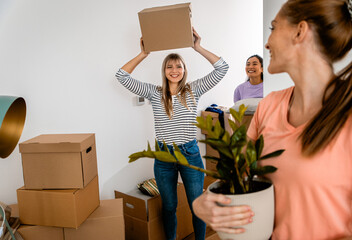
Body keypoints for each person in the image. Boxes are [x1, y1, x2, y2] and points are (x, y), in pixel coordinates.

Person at [192, 0, 352, 239]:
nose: (267, 43)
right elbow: (240, 174)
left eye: (273, 27)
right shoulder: (269, 105)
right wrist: (204, 202)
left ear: (300, 31)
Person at [115, 28, 229, 240]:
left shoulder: (194, 90)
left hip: (190, 154)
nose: (174, 70)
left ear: (185, 70)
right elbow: (121, 76)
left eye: (179, 66)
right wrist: (143, 53)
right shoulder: (154, 93)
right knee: (169, 207)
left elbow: (222, 68)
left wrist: (197, 47)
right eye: (169, 66)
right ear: (164, 70)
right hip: (163, 158)